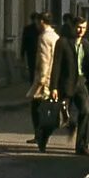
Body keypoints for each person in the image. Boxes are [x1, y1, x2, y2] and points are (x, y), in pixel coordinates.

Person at [50, 15, 89, 156]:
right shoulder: (63, 43)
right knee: (59, 116)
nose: (80, 31)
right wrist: (53, 87)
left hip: (81, 84)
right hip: (66, 84)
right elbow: (56, 65)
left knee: (86, 111)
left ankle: (82, 146)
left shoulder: (85, 44)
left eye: (83, 28)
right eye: (78, 27)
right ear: (73, 27)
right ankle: (42, 134)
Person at [25, 11, 58, 151]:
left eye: (38, 22)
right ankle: (42, 135)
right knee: (49, 109)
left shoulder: (44, 38)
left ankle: (40, 135)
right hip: (53, 79)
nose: (36, 25)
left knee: (37, 109)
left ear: (42, 22)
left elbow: (44, 60)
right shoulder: (55, 36)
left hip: (44, 81)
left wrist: (41, 80)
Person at [20, 13, 39, 82]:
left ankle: (33, 83)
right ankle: (33, 83)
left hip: (32, 52)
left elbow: (24, 42)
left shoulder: (28, 29)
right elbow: (24, 41)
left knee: (33, 69)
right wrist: (22, 53)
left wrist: (22, 53)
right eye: (35, 19)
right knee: (33, 69)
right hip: (33, 52)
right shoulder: (37, 29)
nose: (35, 21)